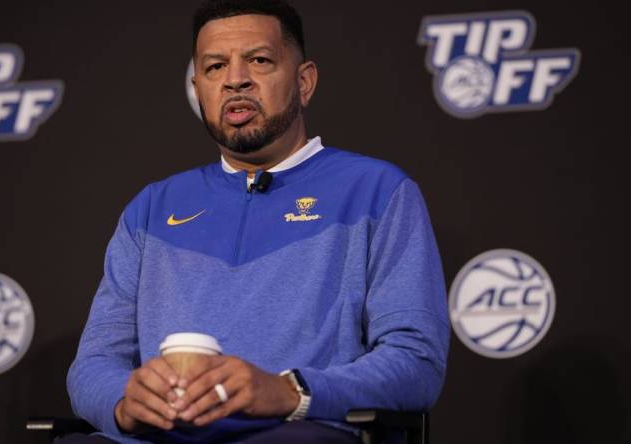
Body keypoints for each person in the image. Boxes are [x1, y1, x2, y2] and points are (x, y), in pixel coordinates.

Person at [66, 1, 450, 442]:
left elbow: (416, 361)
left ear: (304, 82)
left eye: (259, 60)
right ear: (198, 88)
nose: (234, 79)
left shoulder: (377, 191)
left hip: (295, 430)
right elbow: (94, 362)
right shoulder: (151, 208)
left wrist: (290, 391)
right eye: (214, 67)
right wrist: (124, 401)